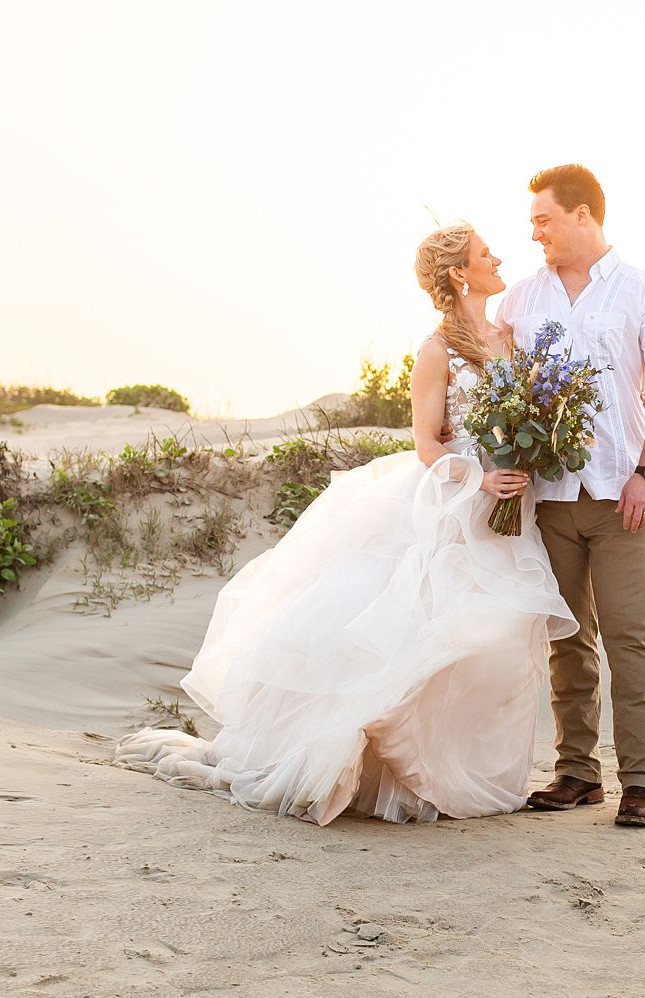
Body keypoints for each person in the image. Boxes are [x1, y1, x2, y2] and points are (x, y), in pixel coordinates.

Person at [113, 223, 577, 824]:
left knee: (501, 635)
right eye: (485, 253)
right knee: (430, 625)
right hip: (456, 501)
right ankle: (394, 753)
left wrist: (525, 457)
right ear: (461, 273)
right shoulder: (436, 350)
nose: (497, 258)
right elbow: (425, 444)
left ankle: (458, 765)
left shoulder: (512, 338)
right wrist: (479, 478)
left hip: (510, 509)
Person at [496, 164, 645, 827]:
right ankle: (576, 771)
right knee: (567, 639)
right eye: (532, 223)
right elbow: (499, 388)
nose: (535, 233)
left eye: (544, 219)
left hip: (621, 496)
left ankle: (643, 780)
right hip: (549, 498)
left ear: (584, 215)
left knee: (631, 637)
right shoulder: (520, 301)